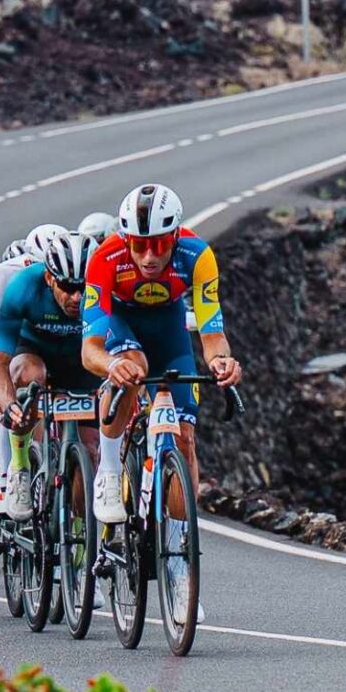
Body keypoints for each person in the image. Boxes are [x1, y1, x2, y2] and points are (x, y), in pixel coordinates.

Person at [82, 184, 242, 626]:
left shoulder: (197, 255)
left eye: (158, 244)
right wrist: (110, 365)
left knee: (184, 439)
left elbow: (211, 333)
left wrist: (221, 362)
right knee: (133, 368)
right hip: (120, 326)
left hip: (170, 328)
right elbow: (89, 348)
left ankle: (178, 564)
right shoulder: (106, 258)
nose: (149, 256)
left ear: (174, 236)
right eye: (139, 244)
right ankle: (110, 470)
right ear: (126, 239)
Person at [0, 230, 99, 522]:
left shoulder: (102, 291)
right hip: (34, 350)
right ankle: (19, 468)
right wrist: (7, 404)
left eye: (83, 287)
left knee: (90, 450)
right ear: (49, 278)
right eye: (67, 287)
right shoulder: (23, 287)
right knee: (28, 375)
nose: (77, 297)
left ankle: (80, 531)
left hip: (80, 357)